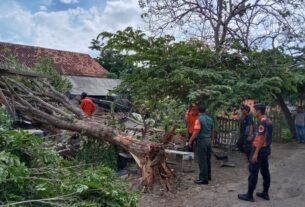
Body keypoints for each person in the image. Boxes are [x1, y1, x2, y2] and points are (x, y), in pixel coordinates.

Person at [238, 103, 272, 202]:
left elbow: (261, 138)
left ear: (258, 111)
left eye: (254, 110)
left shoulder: (262, 122)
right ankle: (265, 193)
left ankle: (249, 195)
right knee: (265, 170)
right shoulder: (268, 121)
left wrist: (256, 153)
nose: (253, 111)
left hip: (260, 149)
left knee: (253, 171)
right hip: (266, 149)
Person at [188, 104, 214, 185]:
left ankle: (203, 179)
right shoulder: (210, 119)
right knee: (207, 158)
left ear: (198, 111)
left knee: (202, 160)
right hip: (208, 140)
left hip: (202, 140)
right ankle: (208, 176)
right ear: (205, 110)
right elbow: (212, 130)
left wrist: (190, 140)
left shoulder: (198, 120)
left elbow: (196, 131)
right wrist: (212, 139)